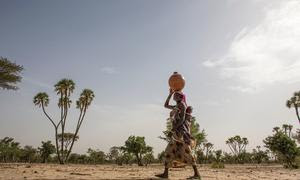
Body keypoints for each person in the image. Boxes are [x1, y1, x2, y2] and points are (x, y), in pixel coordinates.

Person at [155, 89, 201, 179]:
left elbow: (182, 120)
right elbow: (165, 105)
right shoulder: (177, 106)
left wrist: (172, 129)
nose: (174, 96)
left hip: (181, 133)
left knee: (187, 152)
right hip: (177, 132)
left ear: (180, 97)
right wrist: (170, 94)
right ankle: (165, 174)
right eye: (174, 95)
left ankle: (197, 174)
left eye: (176, 95)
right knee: (169, 150)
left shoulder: (182, 105)